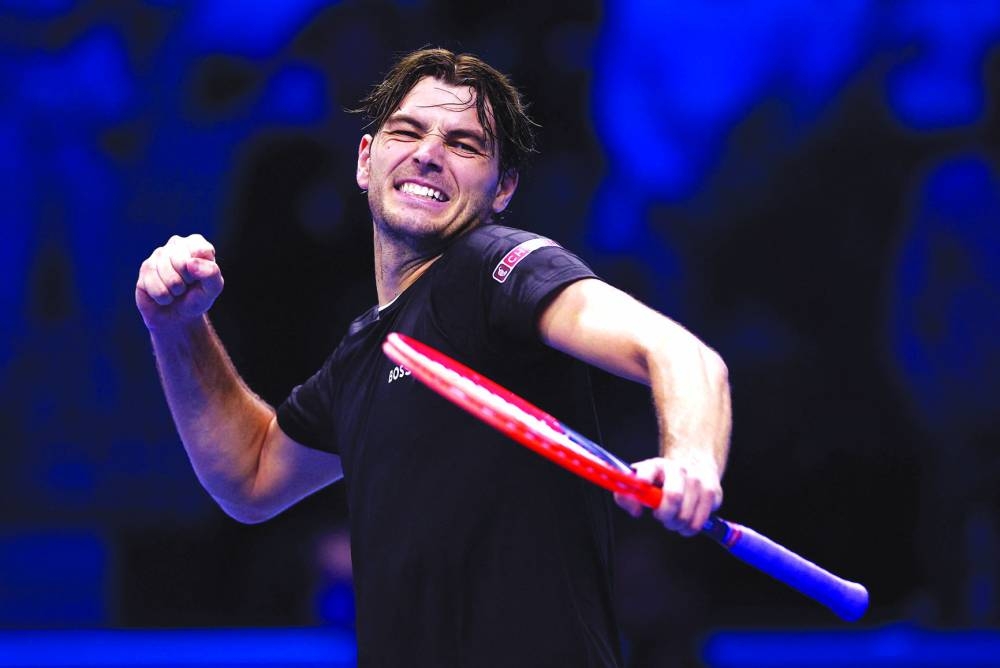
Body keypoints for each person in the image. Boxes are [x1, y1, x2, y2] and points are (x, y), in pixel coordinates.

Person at [135, 48, 731, 667]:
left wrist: (690, 458)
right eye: (406, 131)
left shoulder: (494, 269)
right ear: (366, 161)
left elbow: (679, 353)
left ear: (503, 189)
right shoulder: (365, 355)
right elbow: (249, 479)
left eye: (465, 144)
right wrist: (177, 327)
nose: (428, 153)